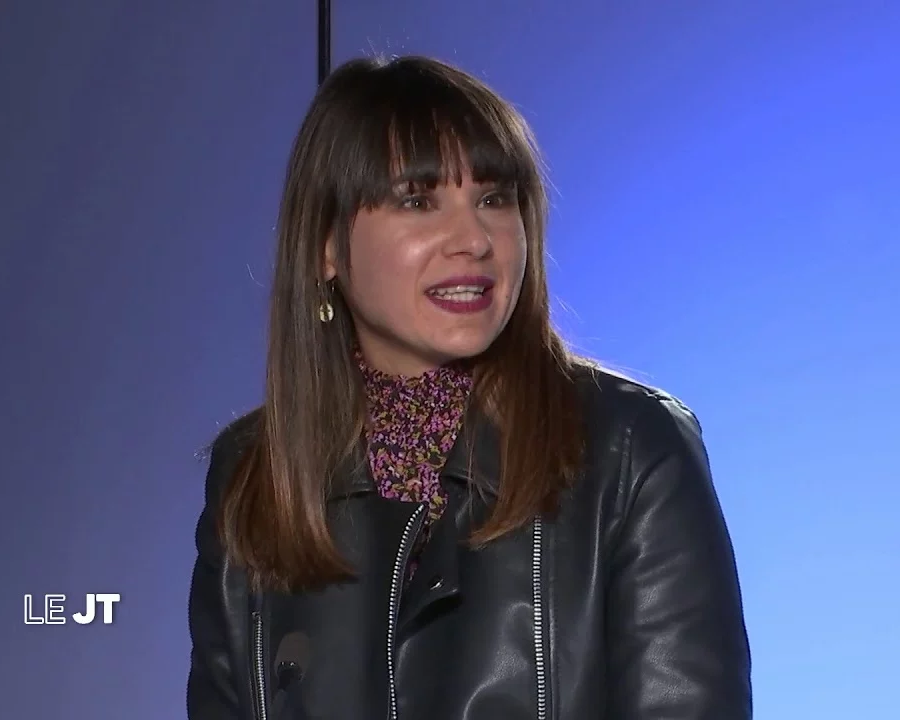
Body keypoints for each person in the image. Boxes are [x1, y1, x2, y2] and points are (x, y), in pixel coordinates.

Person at [187, 54, 752, 720]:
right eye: (418, 201)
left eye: (494, 199)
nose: (473, 240)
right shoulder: (252, 476)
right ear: (326, 247)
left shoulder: (631, 448)